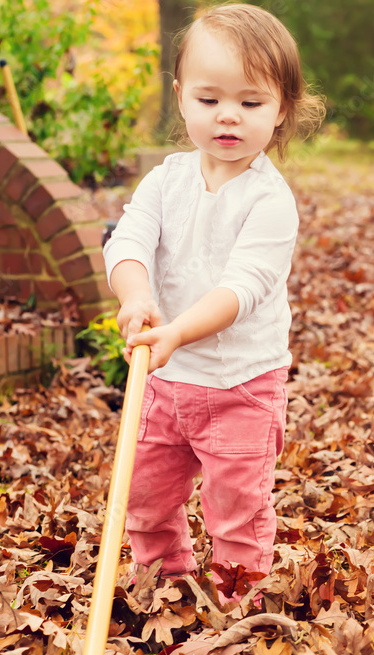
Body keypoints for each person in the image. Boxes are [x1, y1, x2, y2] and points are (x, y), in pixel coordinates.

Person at [102, 2, 325, 597]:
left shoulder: (269, 201)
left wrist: (175, 332)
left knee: (235, 512)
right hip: (164, 383)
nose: (228, 116)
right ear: (180, 96)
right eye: (209, 100)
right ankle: (164, 584)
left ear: (281, 110)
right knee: (144, 496)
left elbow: (242, 289)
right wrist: (136, 295)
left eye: (250, 103)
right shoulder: (165, 180)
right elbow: (128, 241)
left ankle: (238, 604)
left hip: (241, 385)